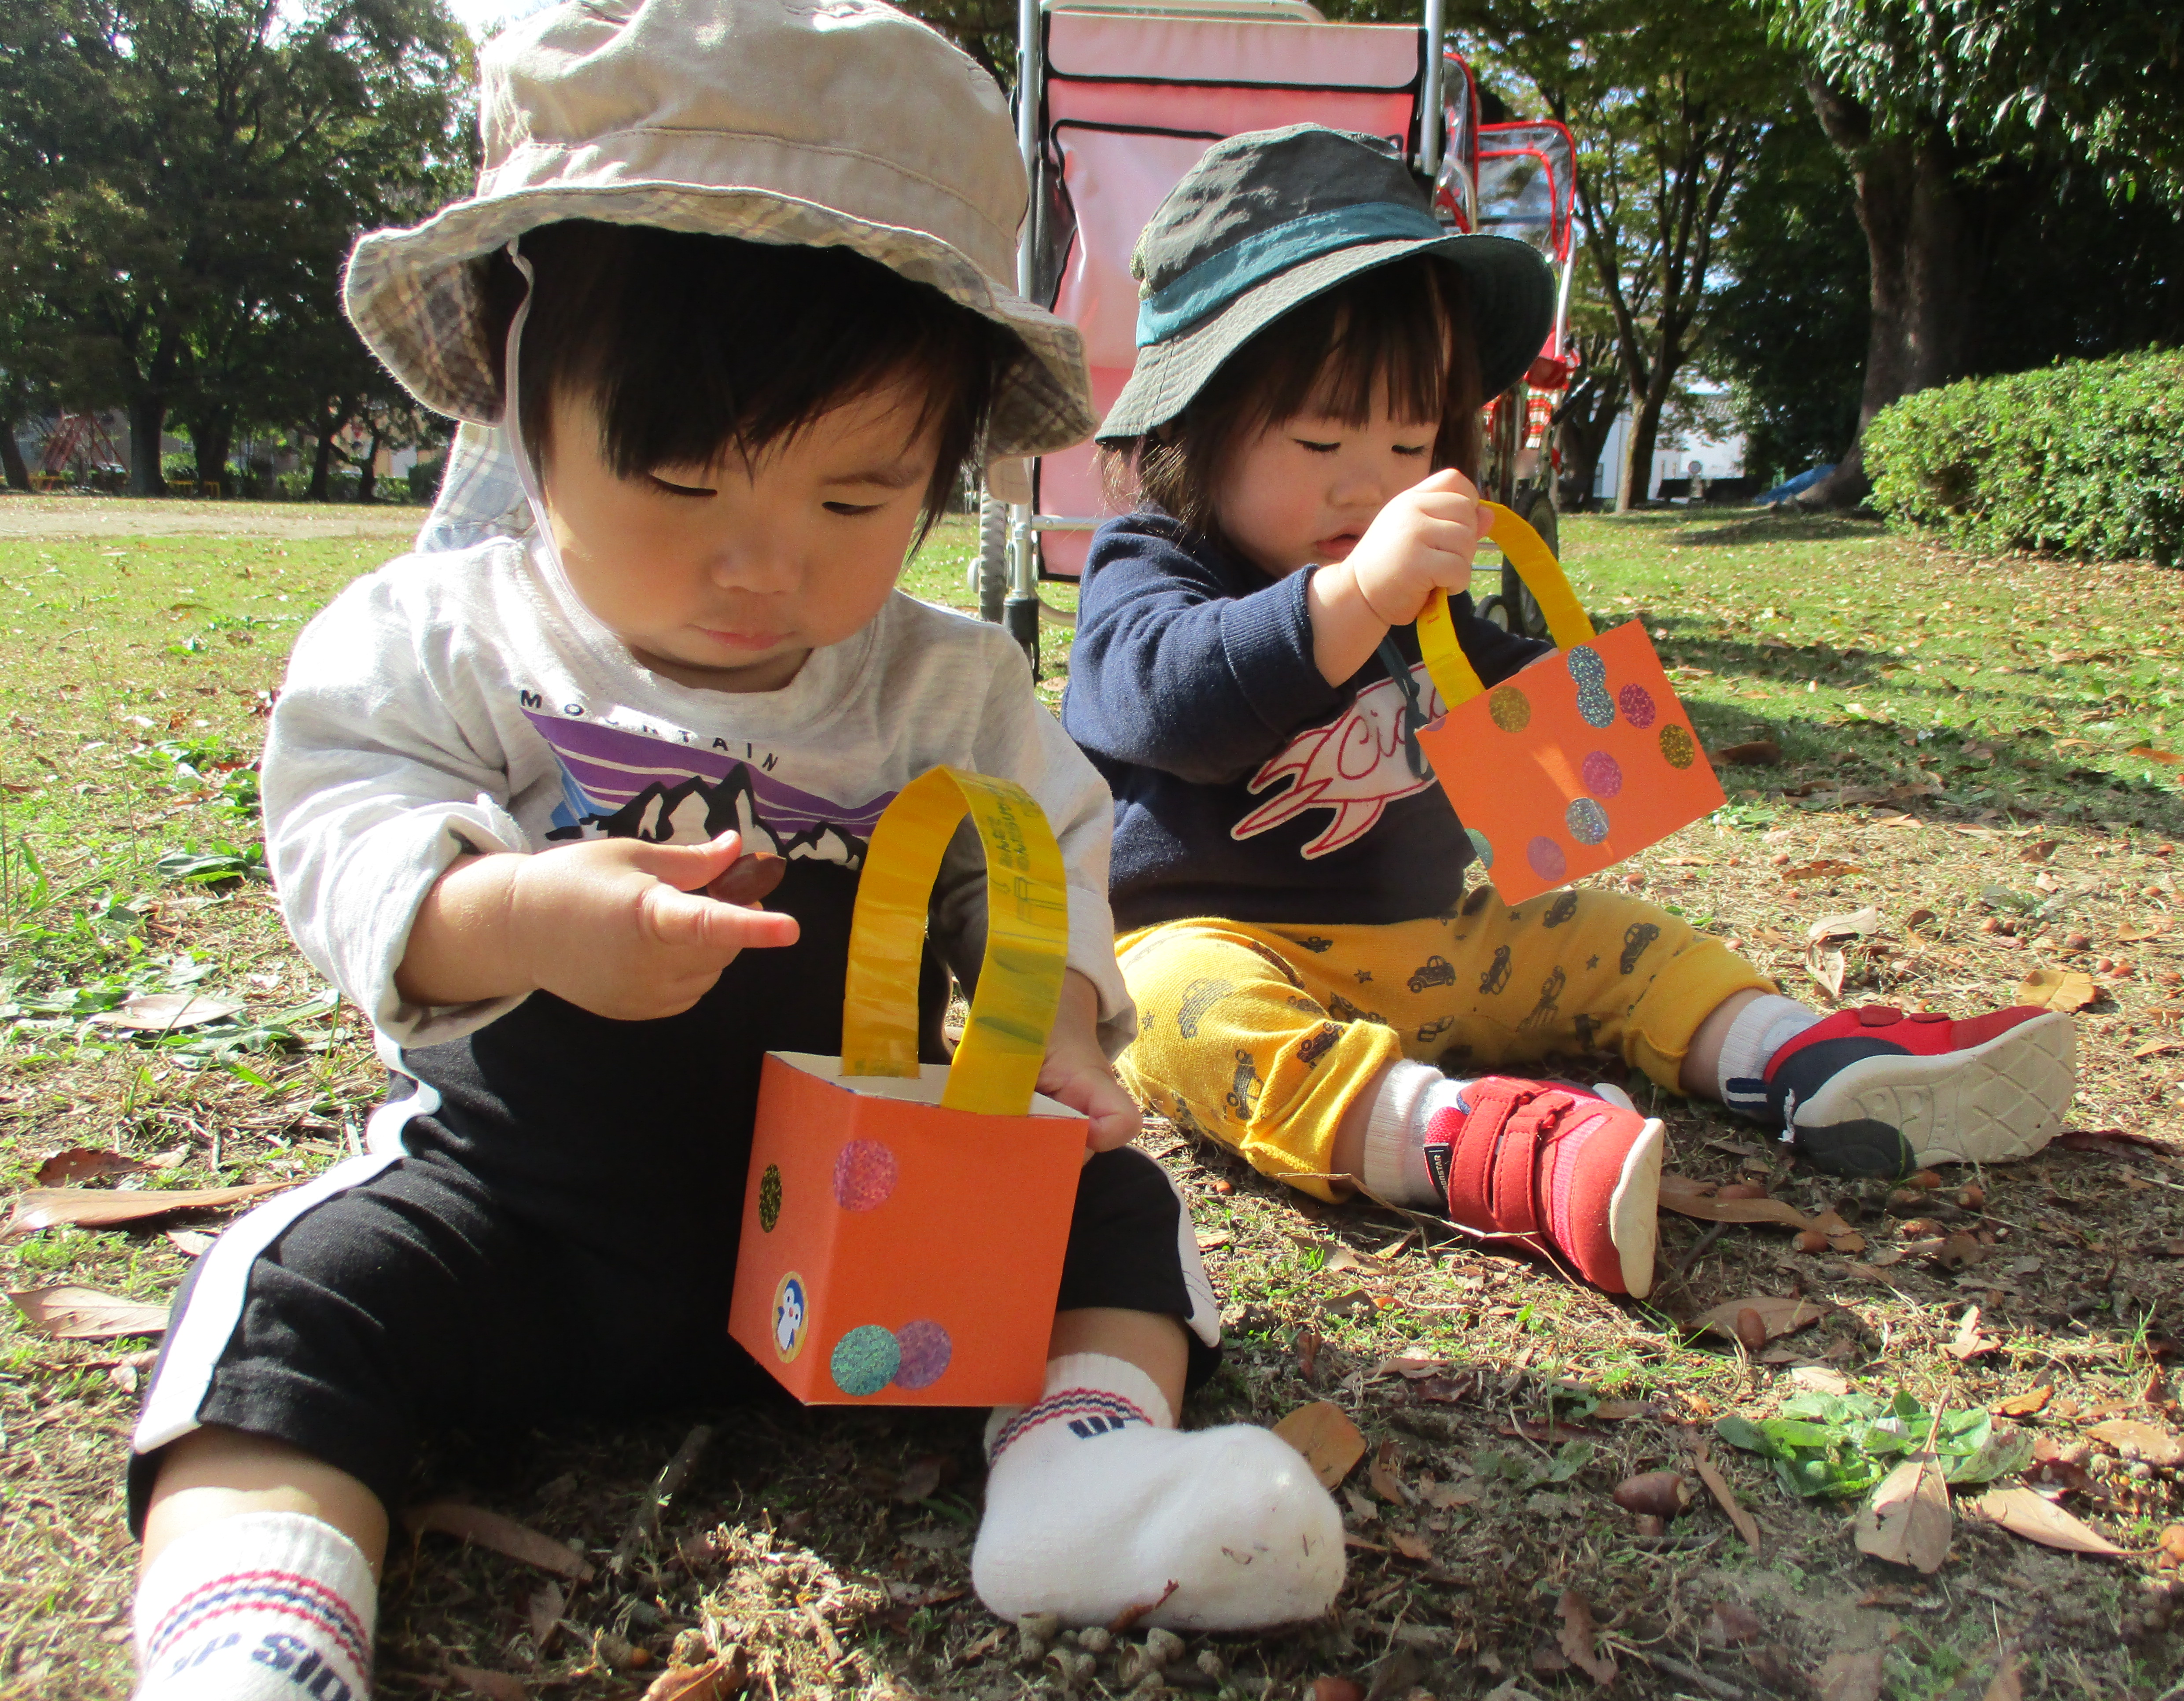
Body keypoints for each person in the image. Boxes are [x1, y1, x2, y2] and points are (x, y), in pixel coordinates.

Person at [124, 11, 1345, 1696]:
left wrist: (1053, 1020)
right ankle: (258, 1611)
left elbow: (1041, 856)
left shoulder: (946, 684)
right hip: (531, 1222)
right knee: (294, 1295)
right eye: (678, 478)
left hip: (886, 1244)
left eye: (852, 503)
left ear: (936, 471)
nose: (759, 567)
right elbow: (350, 833)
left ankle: (1077, 1465)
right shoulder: (445, 637)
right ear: (522, 399)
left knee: (1119, 1214)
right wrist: (518, 917)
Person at [1062, 125, 2077, 1299]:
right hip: (1225, 942)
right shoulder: (1155, 566)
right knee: (1183, 1018)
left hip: (1436, 951)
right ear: (1193, 428)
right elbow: (1168, 705)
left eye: (1411, 442)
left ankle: (1794, 1056)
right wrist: (1349, 597)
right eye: (1325, 439)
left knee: (1612, 934)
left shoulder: (1421, 602)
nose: (1373, 482)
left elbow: (1548, 747)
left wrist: (1602, 722)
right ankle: (1459, 1142)